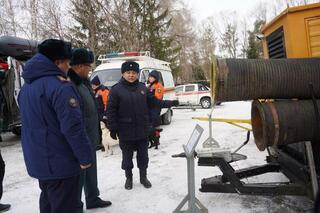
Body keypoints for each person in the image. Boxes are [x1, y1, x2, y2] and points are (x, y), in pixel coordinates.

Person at [18, 39, 93, 213]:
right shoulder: (60, 87)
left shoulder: (27, 87)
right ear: (58, 62)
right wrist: (85, 157)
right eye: (68, 63)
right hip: (61, 162)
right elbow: (73, 127)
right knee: (64, 206)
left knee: (48, 202)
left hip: (40, 160)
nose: (69, 67)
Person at [106, 61, 179, 190]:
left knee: (143, 157)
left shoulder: (143, 89)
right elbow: (111, 111)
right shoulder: (116, 90)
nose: (131, 75)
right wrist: (113, 128)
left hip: (142, 130)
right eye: (128, 73)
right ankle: (128, 178)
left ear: (138, 74)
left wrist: (171, 103)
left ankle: (143, 177)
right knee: (127, 158)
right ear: (123, 74)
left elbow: (155, 103)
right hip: (125, 131)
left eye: (134, 73)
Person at [68, 48, 112, 212]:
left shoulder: (83, 83)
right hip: (81, 138)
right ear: (79, 66)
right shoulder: (71, 85)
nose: (90, 70)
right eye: (88, 66)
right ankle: (76, 205)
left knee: (91, 171)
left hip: (90, 137)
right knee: (79, 174)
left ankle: (92, 198)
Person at [146, 70, 165, 149]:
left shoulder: (159, 86)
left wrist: (149, 94)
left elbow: (158, 98)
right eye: (149, 77)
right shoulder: (149, 86)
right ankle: (152, 140)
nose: (150, 78)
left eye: (152, 77)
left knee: (155, 125)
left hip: (155, 108)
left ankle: (156, 140)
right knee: (150, 125)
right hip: (149, 108)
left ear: (155, 78)